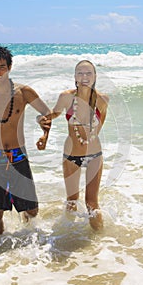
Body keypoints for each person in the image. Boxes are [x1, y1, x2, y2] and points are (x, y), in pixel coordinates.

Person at [0, 45, 51, 235]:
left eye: (2, 66)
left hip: (18, 155)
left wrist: (44, 132)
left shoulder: (24, 92)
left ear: (10, 66)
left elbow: (45, 113)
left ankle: (30, 250)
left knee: (31, 209)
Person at [36, 60, 108, 230]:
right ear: (75, 77)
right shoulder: (66, 97)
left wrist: (89, 139)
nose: (84, 76)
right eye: (80, 73)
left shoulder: (103, 100)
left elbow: (99, 124)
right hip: (71, 156)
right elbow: (53, 115)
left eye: (88, 73)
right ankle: (68, 238)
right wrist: (42, 124)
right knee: (72, 200)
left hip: (94, 155)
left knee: (91, 203)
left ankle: (100, 243)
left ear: (95, 76)